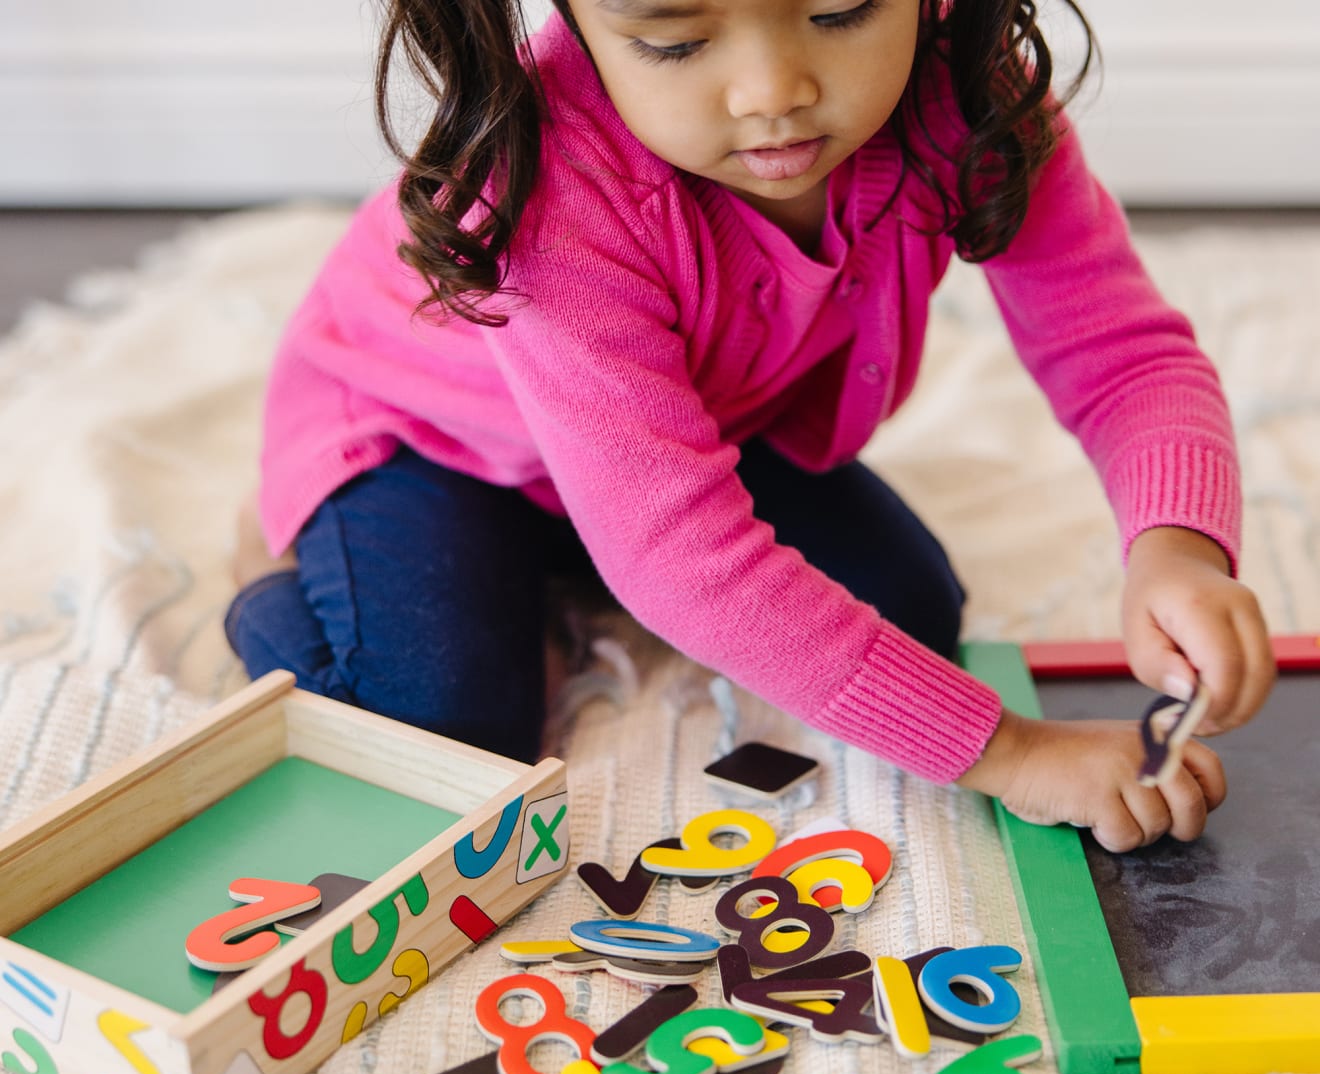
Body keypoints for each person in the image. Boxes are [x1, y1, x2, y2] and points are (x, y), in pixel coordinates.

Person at [227, 0, 1275, 854]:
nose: (775, 92)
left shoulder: (969, 89)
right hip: (429, 445)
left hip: (693, 425)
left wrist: (1176, 547)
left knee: (915, 615)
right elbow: (682, 557)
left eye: (841, 9)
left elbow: (1121, 348)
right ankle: (288, 556)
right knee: (447, 732)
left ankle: (572, 555)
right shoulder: (546, 188)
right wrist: (1010, 752)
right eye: (675, 40)